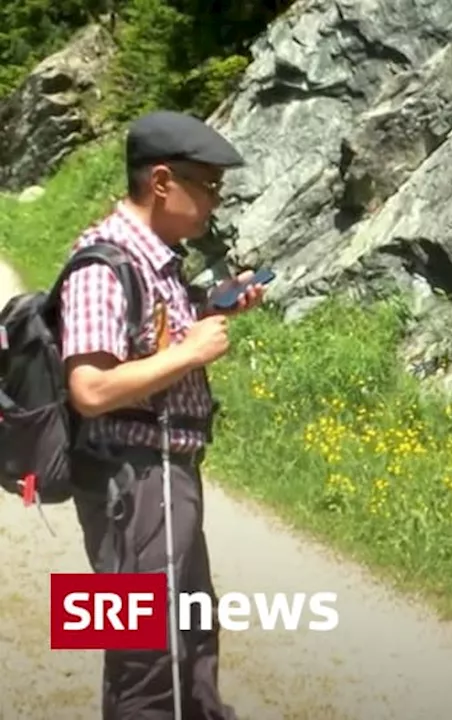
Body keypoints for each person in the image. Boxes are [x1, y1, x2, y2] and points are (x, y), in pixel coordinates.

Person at [60, 109, 267, 720]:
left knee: (193, 631)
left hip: (166, 475)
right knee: (144, 651)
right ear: (160, 182)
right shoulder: (104, 261)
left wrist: (214, 304)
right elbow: (91, 389)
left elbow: (150, 333)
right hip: (130, 478)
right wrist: (192, 351)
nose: (213, 204)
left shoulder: (157, 259)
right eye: (207, 187)